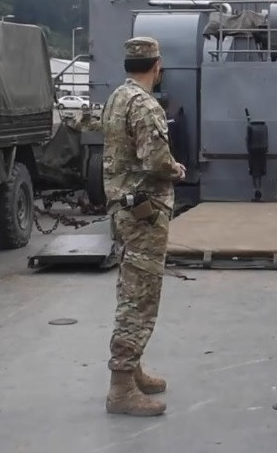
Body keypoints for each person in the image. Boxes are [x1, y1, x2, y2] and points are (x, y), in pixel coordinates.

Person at [101, 35, 186, 416]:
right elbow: (155, 161)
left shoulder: (117, 97)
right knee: (140, 295)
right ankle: (121, 387)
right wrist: (176, 168)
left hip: (124, 207)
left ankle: (132, 369)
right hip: (145, 212)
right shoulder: (145, 104)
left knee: (131, 284)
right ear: (157, 66)